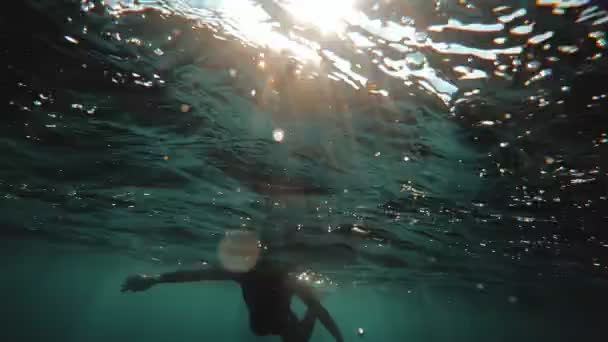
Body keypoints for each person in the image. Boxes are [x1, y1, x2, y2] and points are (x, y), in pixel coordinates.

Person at [121, 259, 344, 342]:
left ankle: (311, 304)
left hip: (270, 319)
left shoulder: (267, 276)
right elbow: (197, 275)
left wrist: (155, 279)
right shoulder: (253, 273)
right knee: (296, 324)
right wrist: (154, 279)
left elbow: (197, 275)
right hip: (270, 320)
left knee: (294, 325)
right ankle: (314, 301)